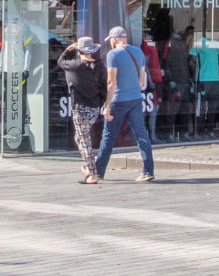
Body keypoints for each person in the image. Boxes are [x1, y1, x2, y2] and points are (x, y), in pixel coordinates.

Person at [93, 26, 155, 183]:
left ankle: (98, 172)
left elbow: (111, 82)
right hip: (135, 99)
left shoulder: (113, 54)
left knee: (108, 137)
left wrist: (107, 104)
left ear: (115, 39)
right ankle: (148, 171)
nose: (110, 44)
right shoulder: (139, 52)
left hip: (118, 101)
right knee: (142, 136)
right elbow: (141, 82)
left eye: (110, 41)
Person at [57, 36, 108, 182]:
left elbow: (60, 62)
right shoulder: (100, 66)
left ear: (79, 50)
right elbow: (104, 90)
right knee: (79, 137)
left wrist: (68, 49)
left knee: (85, 141)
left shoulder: (75, 65)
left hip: (80, 109)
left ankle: (92, 174)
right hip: (93, 109)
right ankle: (89, 167)